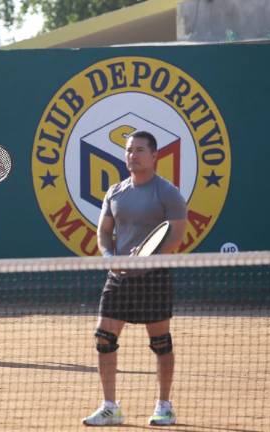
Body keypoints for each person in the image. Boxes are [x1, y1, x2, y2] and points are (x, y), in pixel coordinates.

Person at [82, 131, 187, 426]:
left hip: (154, 278)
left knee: (160, 342)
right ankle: (110, 407)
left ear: (154, 156)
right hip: (119, 278)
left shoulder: (168, 193)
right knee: (104, 338)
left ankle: (164, 406)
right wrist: (109, 258)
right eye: (129, 150)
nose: (133, 155)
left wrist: (148, 258)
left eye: (140, 150)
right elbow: (104, 232)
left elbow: (176, 235)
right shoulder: (115, 192)